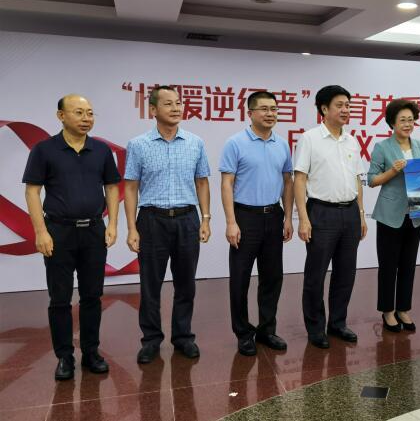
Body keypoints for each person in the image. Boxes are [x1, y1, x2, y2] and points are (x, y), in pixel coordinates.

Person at [23, 94, 120, 380]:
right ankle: (64, 356)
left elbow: (112, 187)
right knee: (60, 298)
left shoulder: (101, 150)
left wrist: (113, 224)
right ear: (61, 116)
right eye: (79, 112)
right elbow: (32, 192)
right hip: (58, 231)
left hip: (93, 231)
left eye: (90, 113)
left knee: (92, 295)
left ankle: (91, 352)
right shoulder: (44, 150)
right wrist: (41, 231)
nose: (86, 118)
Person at [124, 85, 211, 364]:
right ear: (153, 109)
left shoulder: (195, 142)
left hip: (187, 219)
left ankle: (183, 337)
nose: (176, 108)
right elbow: (130, 187)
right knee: (151, 285)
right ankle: (151, 340)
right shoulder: (138, 145)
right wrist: (131, 227)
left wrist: (205, 219)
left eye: (179, 103)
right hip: (152, 220)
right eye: (168, 103)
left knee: (186, 284)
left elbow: (202, 182)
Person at [219, 91, 294, 356]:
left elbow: (288, 182)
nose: (270, 113)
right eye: (264, 109)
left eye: (274, 109)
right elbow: (226, 183)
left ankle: (266, 330)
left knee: (272, 277)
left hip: (273, 215)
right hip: (245, 216)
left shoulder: (282, 144)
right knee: (240, 278)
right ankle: (243, 332)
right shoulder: (235, 143)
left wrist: (288, 217)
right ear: (249, 113)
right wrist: (231, 222)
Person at [294, 85, 367, 349]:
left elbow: (357, 179)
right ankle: (315, 328)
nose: (345, 110)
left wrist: (361, 214)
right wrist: (303, 219)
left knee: (346, 273)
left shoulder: (352, 141)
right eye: (339, 105)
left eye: (348, 105)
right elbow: (299, 179)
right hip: (321, 212)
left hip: (350, 212)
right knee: (315, 275)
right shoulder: (309, 139)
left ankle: (337, 323)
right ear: (324, 109)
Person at [367, 99, 420, 333]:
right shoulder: (382, 147)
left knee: (408, 265)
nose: (407, 124)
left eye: (411, 120)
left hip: (416, 214)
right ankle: (387, 311)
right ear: (392, 123)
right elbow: (372, 180)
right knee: (388, 265)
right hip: (390, 214)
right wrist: (393, 170)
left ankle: (403, 308)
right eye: (402, 120)